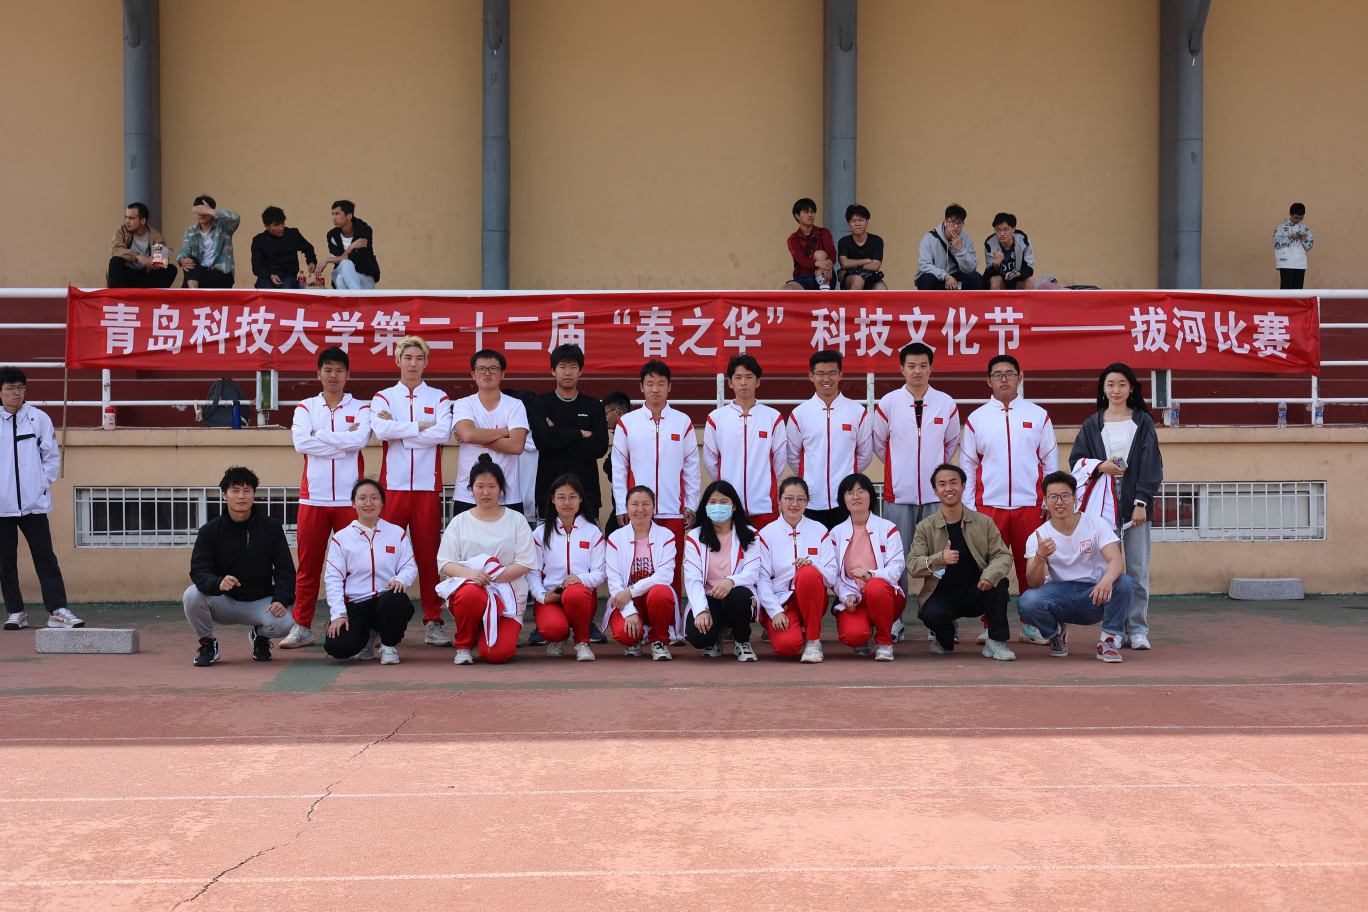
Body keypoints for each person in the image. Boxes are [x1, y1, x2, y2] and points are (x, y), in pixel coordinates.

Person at [960, 354, 1058, 645]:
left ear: (1020, 377)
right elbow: (968, 467)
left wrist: (1049, 501)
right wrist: (970, 509)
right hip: (989, 507)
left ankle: (1031, 625)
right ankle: (991, 625)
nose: (1004, 379)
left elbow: (1050, 462)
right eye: (998, 374)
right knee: (990, 569)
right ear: (988, 380)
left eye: (1009, 373)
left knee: (1031, 567)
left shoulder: (1038, 415)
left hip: (1031, 506)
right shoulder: (976, 419)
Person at [279, 346, 372, 650]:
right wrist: (343, 443)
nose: (334, 375)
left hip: (349, 501)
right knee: (309, 567)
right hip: (314, 499)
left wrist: (320, 435)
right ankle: (302, 626)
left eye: (339, 370)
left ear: (348, 374)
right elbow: (300, 443)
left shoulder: (362, 408)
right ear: (318, 373)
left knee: (354, 568)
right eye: (328, 370)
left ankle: (359, 629)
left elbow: (360, 439)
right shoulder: (306, 408)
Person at [1068, 363, 1162, 650]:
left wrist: (1141, 501)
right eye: (1110, 384)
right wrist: (1101, 466)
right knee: (1108, 568)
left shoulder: (1143, 421)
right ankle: (1114, 629)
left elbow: (1152, 464)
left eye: (1122, 384)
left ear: (1131, 387)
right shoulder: (1092, 424)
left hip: (1134, 499)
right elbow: (1076, 462)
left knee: (1137, 569)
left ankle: (1138, 630)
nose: (1116, 390)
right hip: (1101, 502)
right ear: (1103, 388)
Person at [371, 337, 455, 646]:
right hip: (391, 488)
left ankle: (433, 622)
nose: (413, 363)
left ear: (426, 362)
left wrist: (401, 429)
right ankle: (377, 621)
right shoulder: (383, 396)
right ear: (398, 361)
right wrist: (421, 425)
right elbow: (381, 430)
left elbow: (443, 433)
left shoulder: (439, 397)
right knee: (385, 555)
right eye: (408, 357)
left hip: (426, 487)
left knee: (429, 556)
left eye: (419, 358)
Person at [1017, 472, 1135, 663]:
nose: (1059, 502)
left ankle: (1108, 640)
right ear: (1045, 501)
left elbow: (1116, 560)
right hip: (1059, 596)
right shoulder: (1038, 536)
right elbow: (1033, 583)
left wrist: (1107, 579)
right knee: (1027, 601)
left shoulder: (1096, 524)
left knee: (1124, 582)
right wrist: (1040, 555)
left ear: (1075, 498)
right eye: (1053, 497)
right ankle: (1056, 633)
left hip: (1094, 594)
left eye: (1065, 495)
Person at [183, 466, 296, 666]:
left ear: (254, 494)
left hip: (260, 601)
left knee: (286, 623)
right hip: (223, 601)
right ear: (224, 495)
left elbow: (285, 570)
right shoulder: (209, 531)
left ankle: (260, 637)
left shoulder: (271, 528)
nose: (241, 496)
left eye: (247, 490)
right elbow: (199, 569)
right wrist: (217, 582)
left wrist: (281, 599)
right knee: (192, 595)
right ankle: (208, 644)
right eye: (235, 490)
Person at [0, 368, 82, 632]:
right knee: (5, 562)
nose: (17, 393)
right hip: (1, 506)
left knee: (45, 557)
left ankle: (57, 611)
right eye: (11, 388)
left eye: (21, 387)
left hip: (34, 505)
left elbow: (51, 457)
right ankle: (16, 612)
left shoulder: (38, 418)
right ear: (0, 391)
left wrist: (40, 486)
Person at [908, 464, 1016, 661]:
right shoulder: (925, 527)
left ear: (964, 486)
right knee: (931, 614)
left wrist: (989, 575)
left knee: (999, 583)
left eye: (953, 482)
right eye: (942, 484)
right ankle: (945, 637)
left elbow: (1003, 555)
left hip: (978, 590)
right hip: (943, 593)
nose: (948, 488)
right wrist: (939, 559)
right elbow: (913, 564)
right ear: (935, 490)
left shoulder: (984, 522)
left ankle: (995, 641)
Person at [611, 360, 699, 598]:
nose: (655, 389)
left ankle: (672, 618)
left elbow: (691, 468)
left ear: (669, 386)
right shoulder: (628, 423)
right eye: (650, 383)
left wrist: (691, 505)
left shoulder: (682, 422)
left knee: (671, 570)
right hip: (639, 511)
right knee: (637, 568)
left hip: (673, 511)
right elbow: (619, 467)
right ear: (641, 387)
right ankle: (636, 615)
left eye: (661, 383)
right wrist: (622, 506)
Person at [437, 456, 536, 665]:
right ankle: (464, 645)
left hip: (508, 594)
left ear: (501, 488)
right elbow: (445, 563)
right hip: (470, 593)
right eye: (480, 486)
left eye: (492, 486)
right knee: (471, 592)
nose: (485, 492)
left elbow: (525, 562)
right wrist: (472, 575)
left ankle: (489, 631)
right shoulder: (460, 521)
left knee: (497, 655)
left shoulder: (516, 519)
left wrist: (491, 577)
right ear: (471, 488)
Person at [873, 342, 960, 570]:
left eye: (923, 365)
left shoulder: (946, 403)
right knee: (897, 555)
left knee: (938, 555)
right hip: (898, 494)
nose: (917, 371)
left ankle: (936, 594)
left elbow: (950, 443)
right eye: (911, 366)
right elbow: (880, 443)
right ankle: (897, 592)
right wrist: (899, 467)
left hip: (936, 494)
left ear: (931, 368)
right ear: (902, 369)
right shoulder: (889, 403)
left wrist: (935, 471)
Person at [322, 479, 417, 665]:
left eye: (374, 498)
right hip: (355, 604)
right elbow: (333, 579)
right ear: (353, 503)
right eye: (362, 498)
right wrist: (338, 614)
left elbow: (409, 567)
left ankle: (388, 645)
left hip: (384, 602)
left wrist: (400, 579)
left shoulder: (397, 533)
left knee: (398, 600)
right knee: (337, 647)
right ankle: (368, 637)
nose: (368, 503)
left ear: (382, 502)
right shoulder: (341, 538)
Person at [786, 350, 874, 529]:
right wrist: (810, 478)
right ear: (811, 376)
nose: (826, 379)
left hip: (846, 499)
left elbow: (865, 454)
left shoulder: (857, 412)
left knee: (846, 545)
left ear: (840, 375)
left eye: (832, 373)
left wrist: (847, 478)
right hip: (811, 499)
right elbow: (792, 455)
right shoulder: (799, 414)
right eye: (820, 373)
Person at [703, 355, 788, 530]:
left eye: (749, 377)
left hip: (764, 506)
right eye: (738, 377)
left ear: (758, 382)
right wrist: (726, 489)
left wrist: (764, 485)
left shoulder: (773, 417)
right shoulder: (716, 418)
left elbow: (780, 461)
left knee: (765, 548)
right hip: (729, 507)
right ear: (730, 383)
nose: (743, 382)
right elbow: (710, 461)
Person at [755, 477, 835, 663]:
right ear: (779, 500)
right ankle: (794, 628)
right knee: (787, 648)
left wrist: (813, 565)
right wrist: (775, 611)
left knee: (807, 572)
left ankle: (813, 641)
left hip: (812, 599)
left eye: (801, 499)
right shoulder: (766, 534)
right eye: (789, 498)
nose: (794, 504)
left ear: (807, 502)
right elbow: (762, 579)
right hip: (781, 601)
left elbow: (831, 576)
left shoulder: (819, 530)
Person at [682, 480, 762, 661]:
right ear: (706, 507)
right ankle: (716, 635)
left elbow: (752, 572)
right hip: (708, 596)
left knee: (738, 596)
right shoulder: (695, 536)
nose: (718, 506)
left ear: (733, 506)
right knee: (699, 638)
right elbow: (693, 578)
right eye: (712, 502)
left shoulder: (750, 534)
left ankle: (742, 640)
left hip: (735, 594)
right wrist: (701, 610)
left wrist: (731, 581)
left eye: (724, 502)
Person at [828, 473, 905, 661]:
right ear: (843, 499)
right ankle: (864, 630)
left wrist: (871, 575)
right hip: (854, 596)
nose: (856, 496)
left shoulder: (888, 528)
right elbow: (833, 574)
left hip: (885, 595)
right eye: (850, 492)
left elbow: (897, 568)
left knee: (875, 586)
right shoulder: (836, 533)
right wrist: (846, 595)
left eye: (861, 491)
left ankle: (884, 641)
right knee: (853, 636)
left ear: (871, 496)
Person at [530, 475, 606, 662]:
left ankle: (582, 642)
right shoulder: (540, 533)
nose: (567, 502)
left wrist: (581, 579)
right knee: (552, 629)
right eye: (561, 497)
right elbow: (532, 573)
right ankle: (559, 639)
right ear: (552, 499)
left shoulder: (592, 532)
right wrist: (543, 596)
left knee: (575, 592)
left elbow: (601, 573)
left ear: (580, 499)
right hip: (551, 596)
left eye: (572, 497)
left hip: (581, 597)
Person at [529, 345, 609, 518]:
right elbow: (542, 440)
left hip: (586, 494)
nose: (568, 372)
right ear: (553, 370)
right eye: (562, 367)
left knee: (587, 536)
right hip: (549, 494)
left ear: (580, 371)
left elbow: (599, 447)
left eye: (573, 367)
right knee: (549, 537)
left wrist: (556, 434)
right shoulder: (541, 402)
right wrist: (580, 434)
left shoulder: (593, 405)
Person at [604, 486, 680, 658]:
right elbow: (614, 580)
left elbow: (665, 575)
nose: (640, 509)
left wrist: (630, 591)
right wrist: (629, 611)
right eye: (634, 504)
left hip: (652, 596)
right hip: (627, 600)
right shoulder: (615, 538)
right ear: (626, 507)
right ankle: (635, 640)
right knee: (625, 635)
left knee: (661, 592)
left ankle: (659, 641)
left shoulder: (666, 535)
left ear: (654, 507)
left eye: (646, 504)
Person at [452, 350, 530, 516]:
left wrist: (475, 437)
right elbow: (467, 435)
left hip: (507, 494)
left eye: (493, 368)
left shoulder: (515, 405)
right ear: (473, 374)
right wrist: (505, 432)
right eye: (481, 369)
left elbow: (516, 446)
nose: (487, 373)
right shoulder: (463, 404)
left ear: (502, 374)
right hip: (468, 494)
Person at [107, 202, 178, 289]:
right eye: (126, 217)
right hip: (125, 274)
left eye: (131, 218)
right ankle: (117, 295)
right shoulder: (121, 231)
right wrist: (137, 256)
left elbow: (162, 259)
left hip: (145, 275)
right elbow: (115, 250)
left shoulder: (156, 236)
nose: (127, 221)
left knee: (171, 269)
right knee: (115, 261)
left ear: (143, 221)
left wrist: (157, 264)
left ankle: (154, 296)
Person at [915, 203, 982, 290]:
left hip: (956, 281)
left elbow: (970, 269)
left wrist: (960, 250)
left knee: (976, 279)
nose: (956, 226)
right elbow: (924, 265)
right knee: (926, 278)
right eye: (952, 222)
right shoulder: (929, 238)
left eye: (960, 223)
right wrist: (945, 276)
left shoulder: (966, 240)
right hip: (937, 278)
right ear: (945, 222)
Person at [177, 195, 240, 289]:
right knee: (191, 261)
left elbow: (236, 218)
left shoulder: (223, 226)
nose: (201, 215)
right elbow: (184, 250)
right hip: (199, 272)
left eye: (203, 211)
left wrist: (210, 211)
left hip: (221, 273)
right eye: (198, 211)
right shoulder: (190, 231)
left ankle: (191, 291)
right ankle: (193, 291)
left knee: (190, 280)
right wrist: (182, 260)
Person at [250, 206, 317, 289]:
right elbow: (257, 267)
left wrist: (311, 261)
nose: (281, 228)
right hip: (267, 277)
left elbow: (308, 248)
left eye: (282, 223)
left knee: (287, 288)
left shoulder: (293, 234)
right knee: (267, 290)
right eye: (276, 225)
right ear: (266, 226)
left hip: (288, 276)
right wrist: (270, 276)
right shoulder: (259, 240)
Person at [318, 200, 380, 289]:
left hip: (365, 278)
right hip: (342, 273)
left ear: (349, 216)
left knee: (340, 278)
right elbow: (339, 262)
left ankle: (353, 295)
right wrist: (351, 247)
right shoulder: (332, 235)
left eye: (337, 214)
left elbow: (357, 257)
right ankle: (356, 294)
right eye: (333, 214)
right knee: (344, 264)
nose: (334, 218)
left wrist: (328, 260)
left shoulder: (364, 231)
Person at [783, 198, 837, 290]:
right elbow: (801, 259)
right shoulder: (793, 238)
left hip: (825, 275)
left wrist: (827, 266)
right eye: (806, 212)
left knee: (820, 254)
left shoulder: (824, 232)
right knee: (786, 290)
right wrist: (818, 263)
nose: (810, 215)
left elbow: (832, 253)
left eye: (812, 212)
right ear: (797, 216)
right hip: (803, 278)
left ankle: (824, 291)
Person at [601, 391, 632, 536]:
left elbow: (610, 467)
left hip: (628, 501)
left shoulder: (628, 431)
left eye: (606, 413)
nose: (606, 418)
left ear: (617, 411)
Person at [838, 204, 887, 290]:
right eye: (853, 221)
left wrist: (850, 269)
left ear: (867, 221)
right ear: (849, 224)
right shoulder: (844, 241)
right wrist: (866, 261)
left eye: (861, 220)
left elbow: (875, 266)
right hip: (851, 278)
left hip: (871, 277)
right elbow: (844, 263)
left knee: (882, 289)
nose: (857, 224)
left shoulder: (877, 240)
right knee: (858, 279)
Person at [983, 213, 1035, 290]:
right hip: (1000, 283)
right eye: (998, 230)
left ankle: (1024, 299)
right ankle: (997, 299)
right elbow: (989, 273)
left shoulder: (1023, 241)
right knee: (995, 280)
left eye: (1006, 229)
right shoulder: (990, 243)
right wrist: (996, 265)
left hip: (1017, 281)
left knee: (1030, 280)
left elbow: (1029, 267)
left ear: (1014, 229)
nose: (1001, 234)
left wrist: (1019, 274)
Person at [1273, 203, 1314, 290]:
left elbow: (1308, 247)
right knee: (1286, 289)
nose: (1299, 220)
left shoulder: (1305, 228)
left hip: (1300, 263)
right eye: (1296, 217)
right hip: (1285, 262)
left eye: (1301, 218)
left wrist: (1304, 239)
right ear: (1290, 214)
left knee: (1298, 290)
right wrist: (1290, 237)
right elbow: (1275, 243)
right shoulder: (1281, 227)